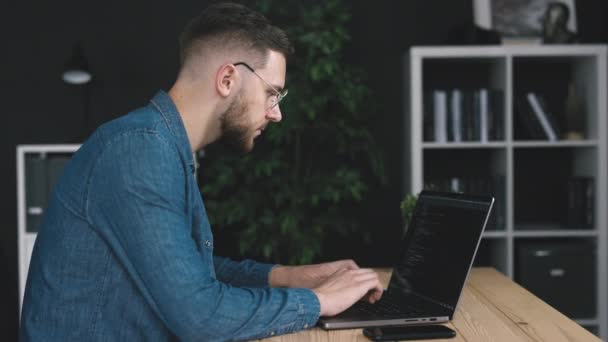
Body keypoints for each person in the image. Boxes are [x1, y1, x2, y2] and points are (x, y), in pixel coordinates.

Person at [20, 2, 383, 341]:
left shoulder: (163, 147)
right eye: (273, 93)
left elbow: (189, 271)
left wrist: (289, 277)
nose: (277, 113)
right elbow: (201, 316)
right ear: (227, 79)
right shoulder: (138, 150)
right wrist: (320, 302)